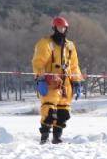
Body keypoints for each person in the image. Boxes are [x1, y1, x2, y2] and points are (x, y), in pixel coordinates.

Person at [31, 16, 83, 144]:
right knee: (49, 111)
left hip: (66, 84)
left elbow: (74, 65)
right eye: (60, 27)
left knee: (63, 113)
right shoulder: (46, 43)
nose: (62, 30)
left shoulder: (70, 46)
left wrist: (77, 81)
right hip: (50, 82)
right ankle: (44, 138)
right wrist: (40, 78)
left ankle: (57, 138)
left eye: (64, 28)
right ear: (54, 28)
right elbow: (38, 62)